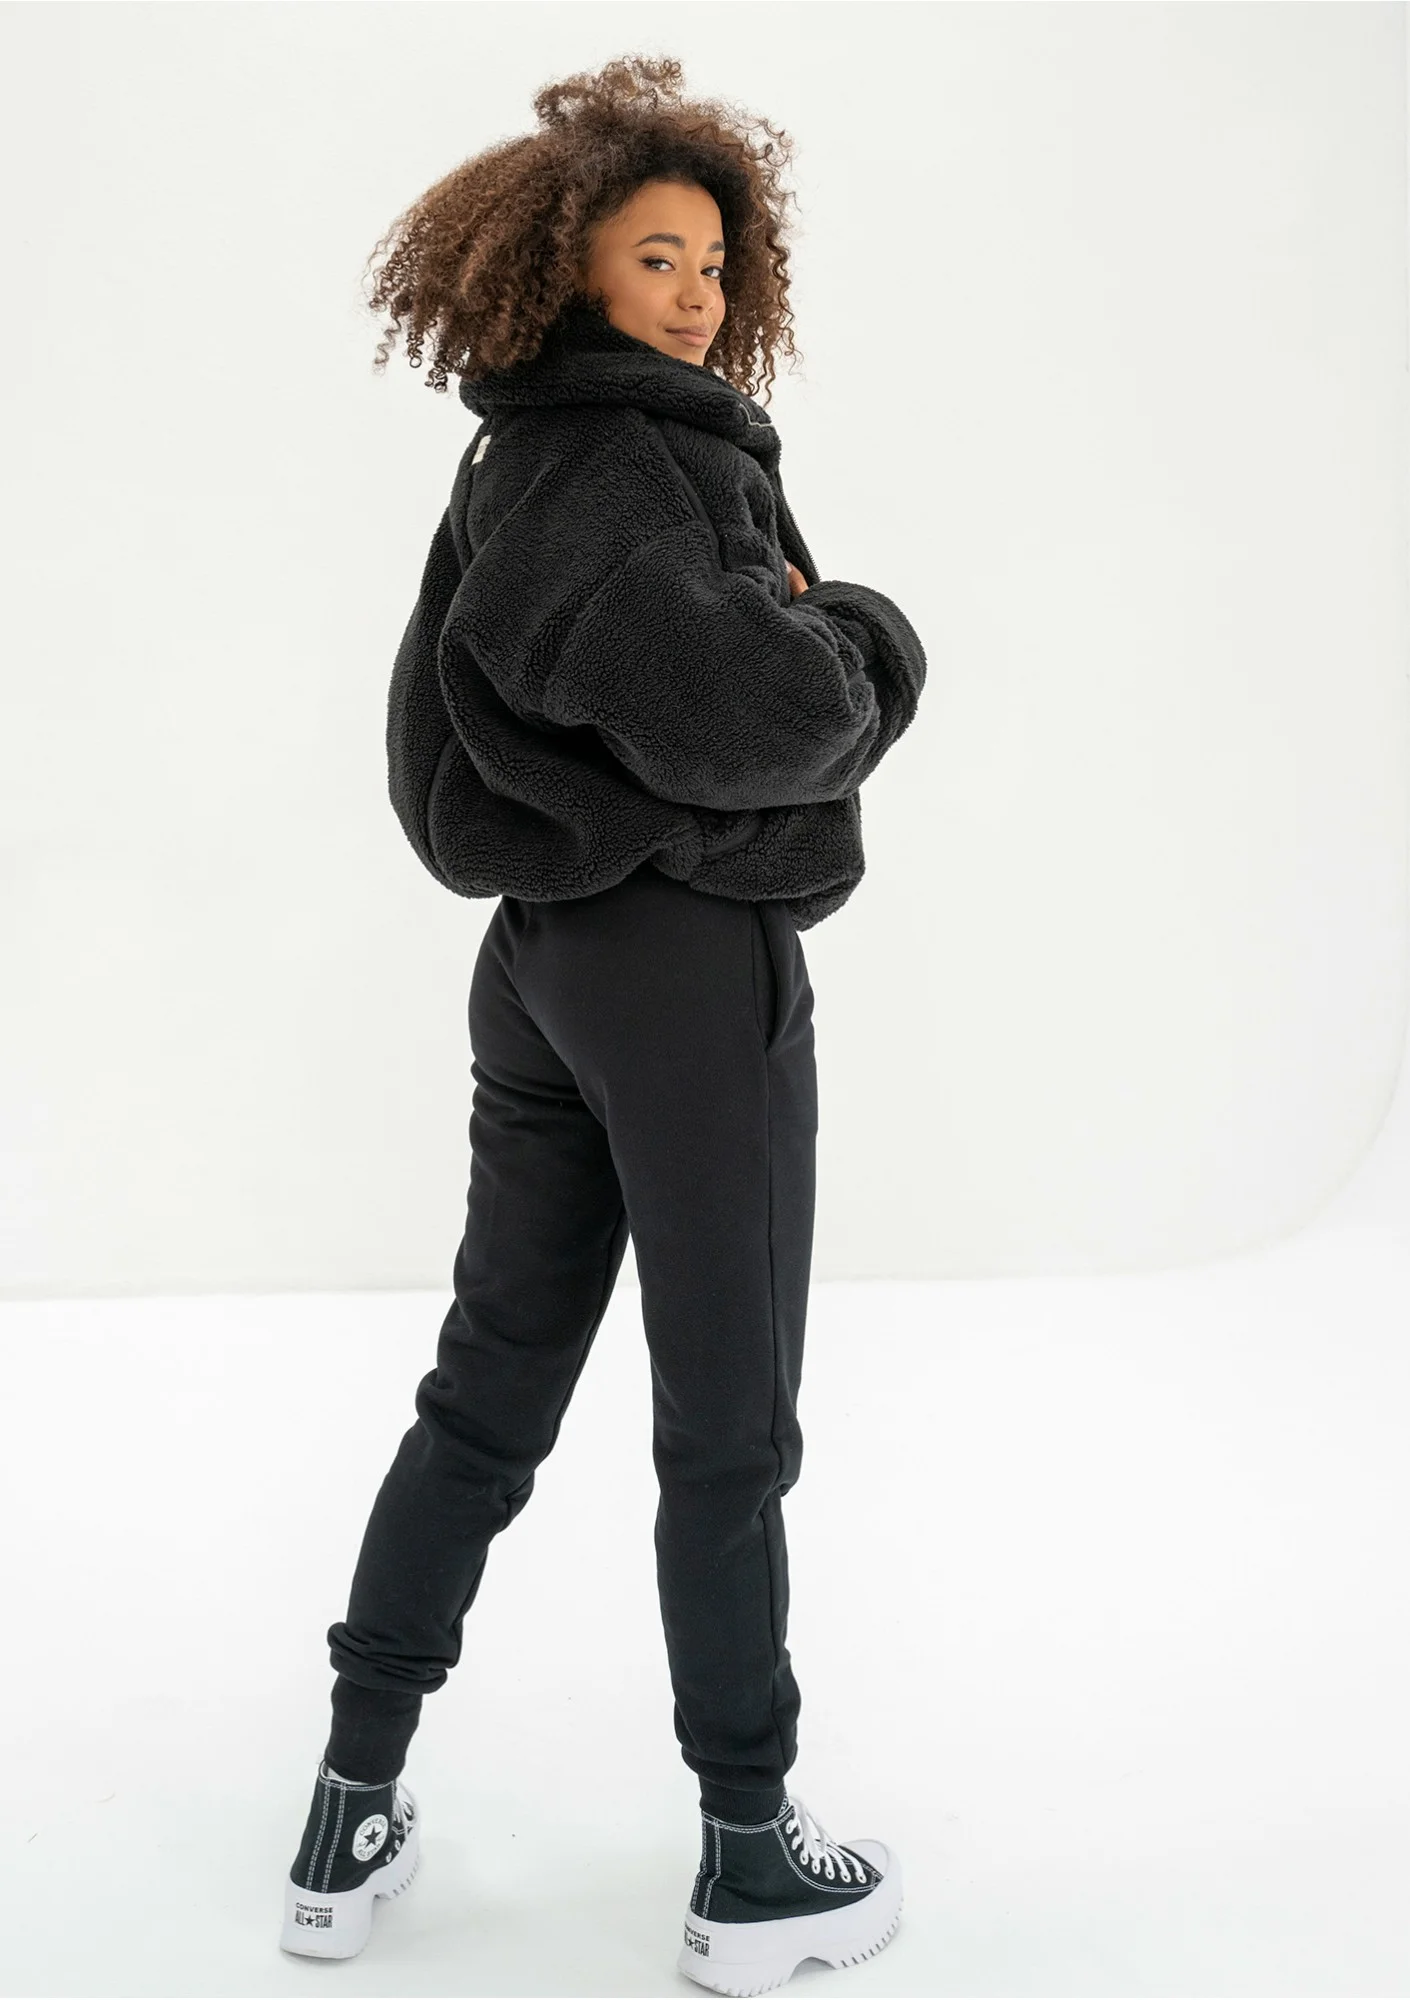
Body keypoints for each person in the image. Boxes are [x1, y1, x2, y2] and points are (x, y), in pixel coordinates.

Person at [279, 52, 926, 1995]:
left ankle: (345, 1817)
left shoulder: (507, 464)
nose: (698, 293)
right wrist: (866, 632)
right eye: (656, 258)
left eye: (714, 261)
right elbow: (777, 713)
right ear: (564, 268)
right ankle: (752, 1860)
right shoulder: (635, 465)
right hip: (682, 975)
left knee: (488, 1390)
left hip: (542, 965)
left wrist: (659, 774)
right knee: (727, 1424)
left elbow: (435, 762)